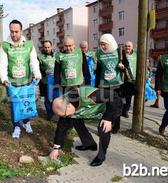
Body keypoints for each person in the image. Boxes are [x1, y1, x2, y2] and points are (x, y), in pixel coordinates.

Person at [49, 36, 97, 161]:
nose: (69, 48)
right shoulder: (59, 56)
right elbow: (57, 73)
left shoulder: (80, 53)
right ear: (63, 45)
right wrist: (58, 87)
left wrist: (86, 87)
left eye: (71, 46)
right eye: (66, 46)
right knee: (74, 117)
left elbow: (86, 70)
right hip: (66, 88)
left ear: (74, 45)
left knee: (66, 117)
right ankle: (89, 143)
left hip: (79, 87)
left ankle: (57, 146)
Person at [0, 19, 41, 139]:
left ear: (21, 31)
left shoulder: (29, 44)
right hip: (12, 83)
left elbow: (33, 61)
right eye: (12, 31)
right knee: (15, 104)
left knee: (26, 102)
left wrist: (37, 74)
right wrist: (4, 79)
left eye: (16, 31)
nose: (14, 34)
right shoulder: (5, 45)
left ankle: (26, 122)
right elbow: (2, 64)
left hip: (26, 81)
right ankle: (16, 126)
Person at [89, 33, 124, 166]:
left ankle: (101, 155)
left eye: (105, 44)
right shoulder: (98, 54)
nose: (102, 46)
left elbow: (126, 67)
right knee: (103, 121)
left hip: (117, 88)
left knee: (106, 122)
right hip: (103, 88)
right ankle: (89, 143)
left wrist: (123, 67)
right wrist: (96, 87)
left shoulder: (119, 51)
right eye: (101, 44)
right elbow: (98, 72)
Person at [38, 40, 55, 119]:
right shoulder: (40, 56)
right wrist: (44, 72)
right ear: (43, 48)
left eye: (48, 47)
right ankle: (49, 114)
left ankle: (55, 112)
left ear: (51, 47)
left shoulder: (56, 55)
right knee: (48, 98)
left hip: (55, 81)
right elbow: (37, 69)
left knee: (55, 97)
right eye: (45, 47)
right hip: (45, 81)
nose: (47, 49)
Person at [121, 41, 137, 118]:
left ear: (132, 47)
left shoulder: (135, 55)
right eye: (126, 46)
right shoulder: (121, 54)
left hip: (132, 78)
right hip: (123, 78)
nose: (127, 47)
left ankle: (126, 111)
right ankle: (122, 110)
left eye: (129, 46)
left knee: (129, 96)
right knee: (122, 95)